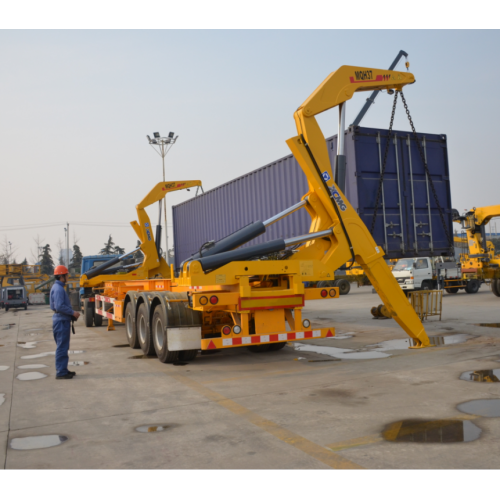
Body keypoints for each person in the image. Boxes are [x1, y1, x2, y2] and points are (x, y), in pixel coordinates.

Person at [50, 265, 80, 380]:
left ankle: (63, 369)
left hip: (62, 320)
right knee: (62, 347)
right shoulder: (58, 289)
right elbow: (59, 306)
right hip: (61, 321)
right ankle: (61, 372)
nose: (68, 277)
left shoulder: (57, 287)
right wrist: (72, 313)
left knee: (63, 346)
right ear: (62, 276)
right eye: (67, 275)